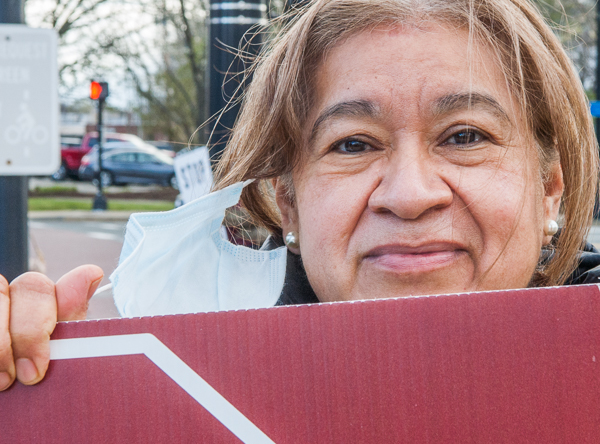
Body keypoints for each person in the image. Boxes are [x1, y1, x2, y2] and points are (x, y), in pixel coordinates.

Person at [0, 0, 598, 391]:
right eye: (353, 144)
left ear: (549, 190)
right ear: (287, 201)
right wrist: (49, 390)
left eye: (465, 136)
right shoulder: (184, 387)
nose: (410, 195)